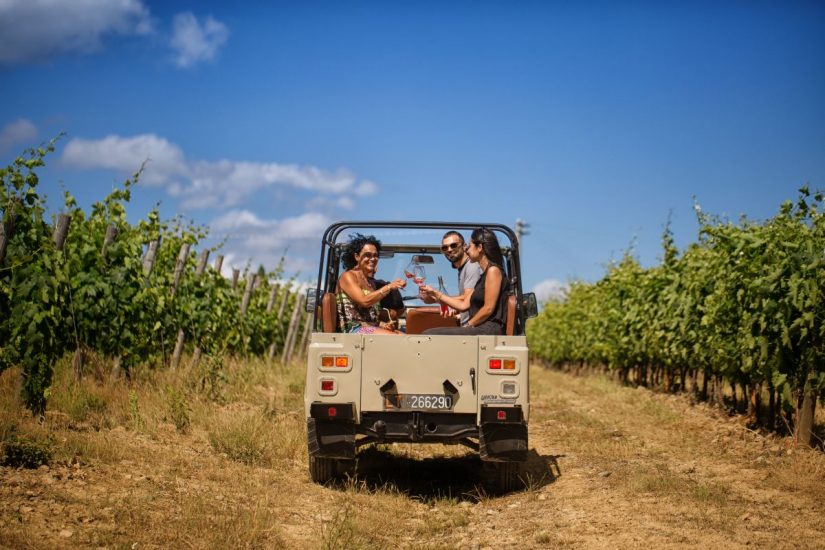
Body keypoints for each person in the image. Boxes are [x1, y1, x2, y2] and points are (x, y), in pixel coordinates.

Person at [420, 227, 509, 335]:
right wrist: (436, 295)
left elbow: (488, 308)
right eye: (444, 248)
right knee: (429, 332)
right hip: (481, 327)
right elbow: (464, 305)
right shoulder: (483, 276)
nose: (467, 249)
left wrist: (469, 325)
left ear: (479, 248)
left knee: (429, 335)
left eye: (470, 246)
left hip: (489, 329)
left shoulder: (493, 271)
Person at [337, 233, 406, 334]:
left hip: (369, 328)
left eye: (375, 255)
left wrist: (383, 325)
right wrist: (389, 287)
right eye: (367, 255)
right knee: (397, 339)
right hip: (353, 330)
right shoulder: (348, 276)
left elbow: (370, 317)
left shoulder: (371, 283)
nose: (373, 259)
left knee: (406, 337)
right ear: (357, 256)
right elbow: (364, 301)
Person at [419, 230, 482, 326]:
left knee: (428, 333)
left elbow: (467, 298)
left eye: (453, 245)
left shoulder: (472, 266)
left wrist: (435, 298)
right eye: (445, 247)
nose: (449, 250)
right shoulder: (462, 269)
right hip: (465, 325)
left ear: (464, 246)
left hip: (473, 327)